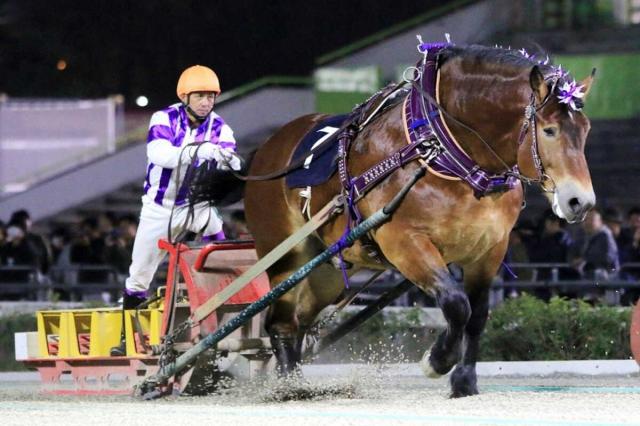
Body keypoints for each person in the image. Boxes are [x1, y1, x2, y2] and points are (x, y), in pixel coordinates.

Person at [110, 65, 242, 356]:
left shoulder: (222, 127)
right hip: (158, 209)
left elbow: (232, 162)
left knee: (224, 250)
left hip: (195, 207)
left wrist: (229, 161)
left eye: (211, 96)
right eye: (201, 96)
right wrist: (200, 151)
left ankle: (229, 312)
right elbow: (158, 155)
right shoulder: (163, 117)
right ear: (185, 96)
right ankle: (125, 340)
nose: (207, 101)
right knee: (139, 275)